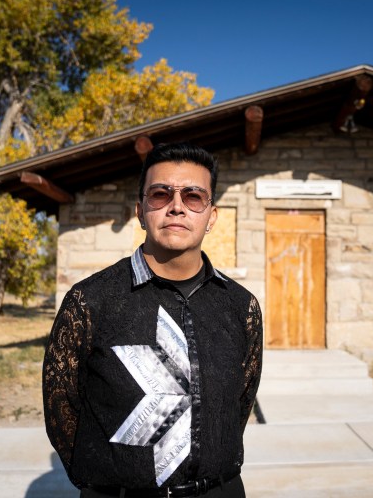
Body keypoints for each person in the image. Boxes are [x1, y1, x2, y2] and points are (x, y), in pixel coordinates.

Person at [43, 142, 263, 498]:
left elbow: (238, 406)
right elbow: (61, 410)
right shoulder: (89, 301)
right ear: (141, 210)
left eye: (193, 197)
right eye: (160, 194)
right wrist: (109, 481)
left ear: (212, 216)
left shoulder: (241, 307)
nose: (177, 207)